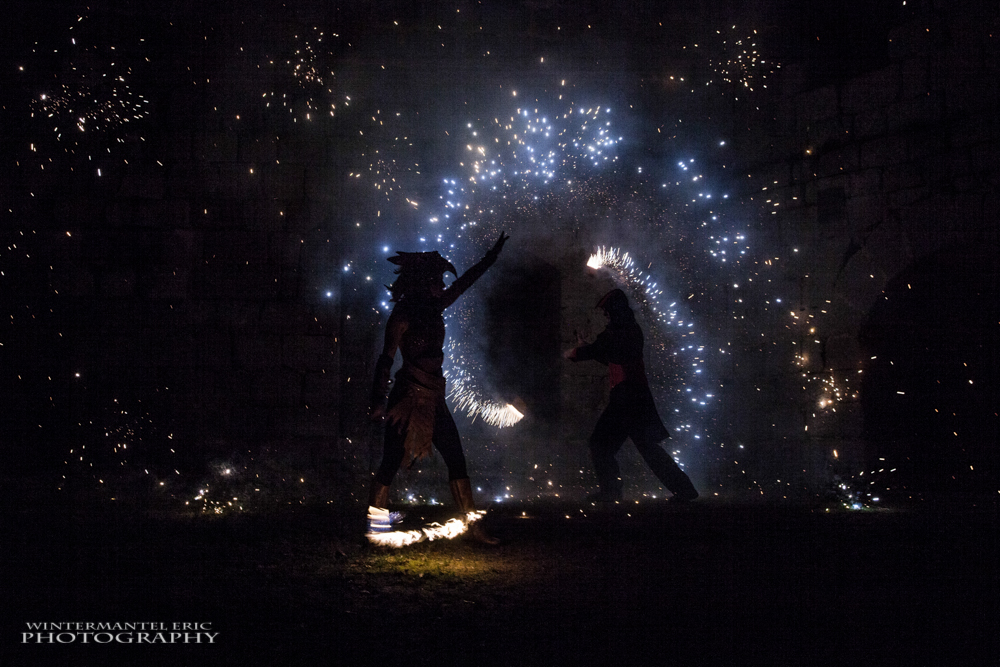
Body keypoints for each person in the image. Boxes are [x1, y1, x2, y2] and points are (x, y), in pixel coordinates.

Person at [367, 232, 509, 545]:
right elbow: (385, 361)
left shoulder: (436, 307)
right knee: (390, 461)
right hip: (406, 399)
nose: (443, 286)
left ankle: (473, 527)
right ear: (422, 280)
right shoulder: (401, 317)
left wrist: (490, 258)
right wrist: (378, 401)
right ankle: (375, 529)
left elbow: (464, 282)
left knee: (457, 459)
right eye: (437, 280)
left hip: (433, 398)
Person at [564, 288, 698, 504]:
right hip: (632, 396)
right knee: (646, 448)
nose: (606, 317)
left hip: (628, 397)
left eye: (607, 312)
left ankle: (611, 491)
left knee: (600, 444)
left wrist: (578, 352)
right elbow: (611, 358)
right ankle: (684, 489)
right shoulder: (626, 330)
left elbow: (606, 349)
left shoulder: (623, 330)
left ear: (615, 311)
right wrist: (585, 349)